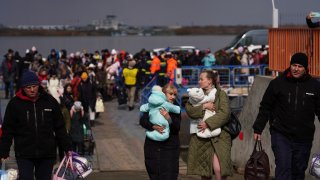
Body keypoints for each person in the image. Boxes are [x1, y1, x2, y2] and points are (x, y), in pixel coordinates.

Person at [253, 52, 320, 179]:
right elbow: (266, 106)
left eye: (300, 66)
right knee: (283, 168)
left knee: (298, 171)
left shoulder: (315, 86)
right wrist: (258, 128)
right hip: (281, 134)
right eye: (294, 65)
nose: (296, 69)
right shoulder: (277, 83)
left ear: (306, 68)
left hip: (304, 137)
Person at [0, 70, 72, 180]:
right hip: (24, 153)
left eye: (34, 86)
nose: (32, 90)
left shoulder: (49, 101)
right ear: (23, 88)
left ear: (38, 85)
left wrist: (67, 148)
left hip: (47, 153)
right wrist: (4, 150)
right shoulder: (15, 104)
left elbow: (60, 127)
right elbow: (8, 129)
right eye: (28, 87)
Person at [185, 70, 232, 180]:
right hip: (201, 137)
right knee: (204, 171)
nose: (199, 81)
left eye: (202, 79)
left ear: (210, 81)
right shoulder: (196, 94)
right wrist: (204, 106)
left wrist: (208, 123)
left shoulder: (221, 94)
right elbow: (189, 111)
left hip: (220, 136)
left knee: (219, 168)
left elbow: (225, 113)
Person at [139, 83, 181, 180]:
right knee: (154, 171)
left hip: (170, 146)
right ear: (163, 94)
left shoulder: (174, 109)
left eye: (175, 95)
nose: (173, 97)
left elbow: (176, 128)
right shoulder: (152, 106)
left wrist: (168, 118)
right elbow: (142, 121)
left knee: (169, 173)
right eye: (170, 94)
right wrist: (153, 126)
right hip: (152, 145)